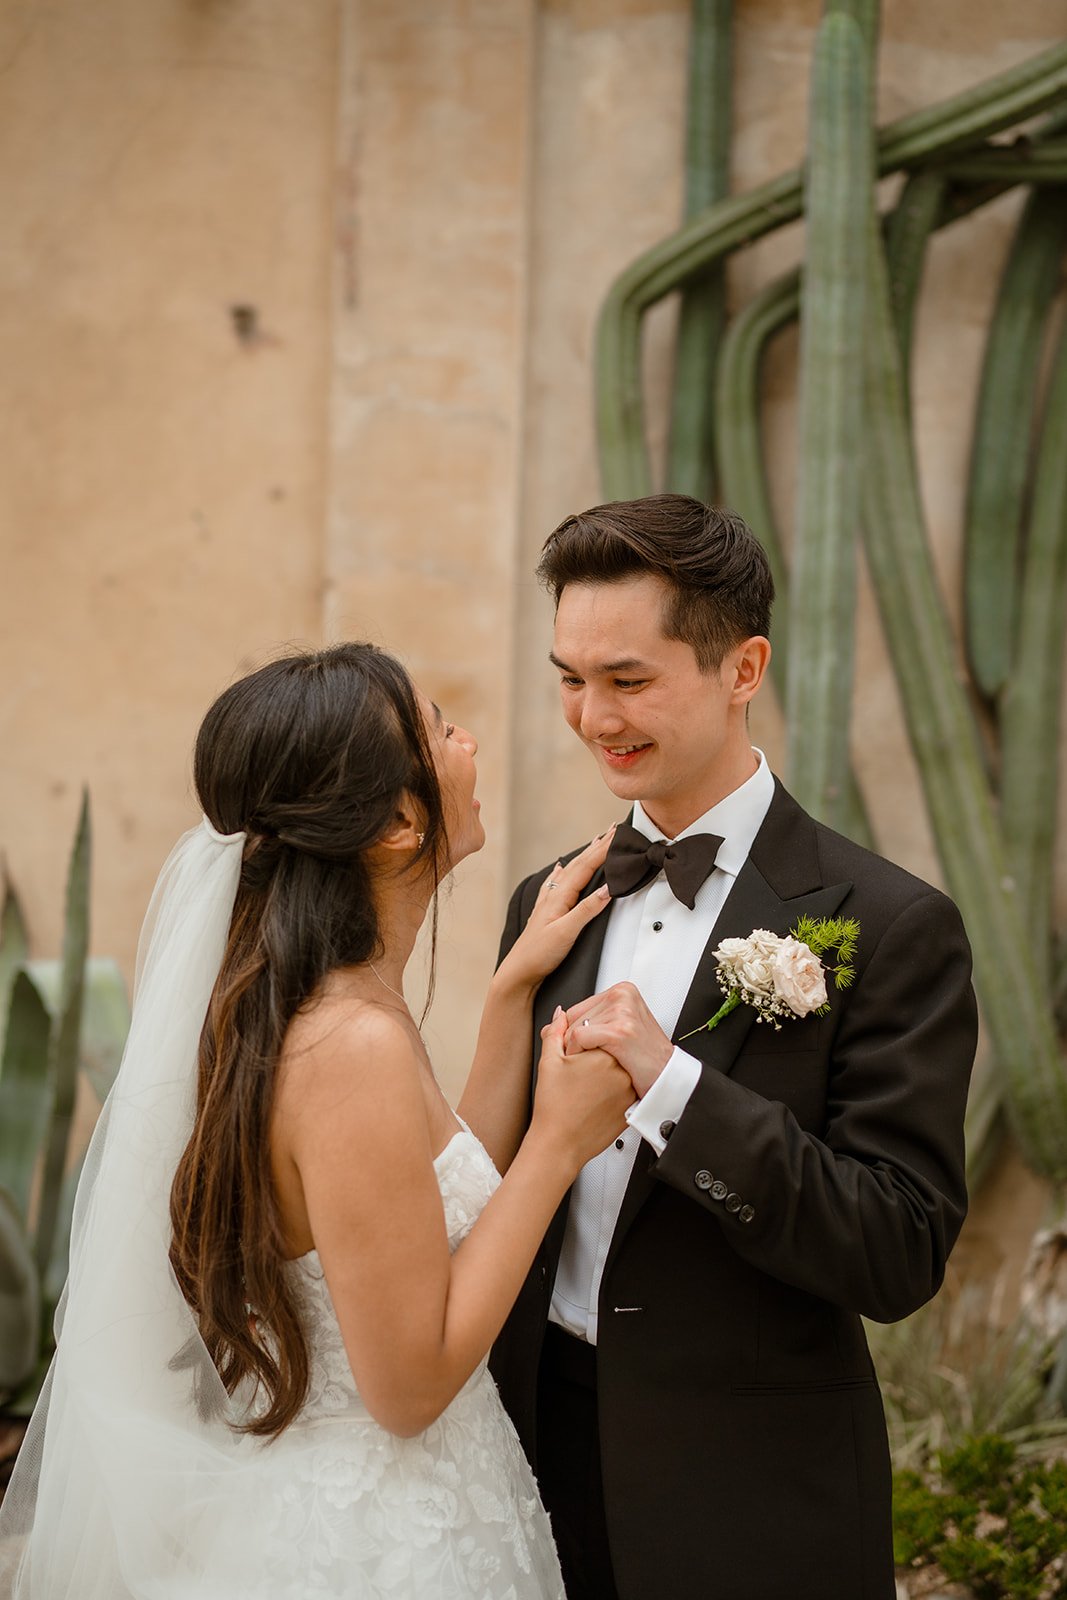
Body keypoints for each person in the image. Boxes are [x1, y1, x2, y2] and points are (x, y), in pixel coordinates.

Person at [0, 642, 636, 1600]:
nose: (467, 742)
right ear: (398, 822)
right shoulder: (350, 1048)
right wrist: (556, 1146)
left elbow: (418, 1213)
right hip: (380, 1550)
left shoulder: (327, 1009)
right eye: (440, 728)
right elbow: (409, 1386)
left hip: (402, 1509)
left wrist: (511, 997)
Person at [490, 494, 978, 1600]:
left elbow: (895, 1250)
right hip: (525, 1456)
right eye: (570, 678)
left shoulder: (886, 924)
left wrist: (672, 1085)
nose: (591, 716)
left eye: (627, 679)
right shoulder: (546, 897)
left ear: (741, 666)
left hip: (746, 1494)